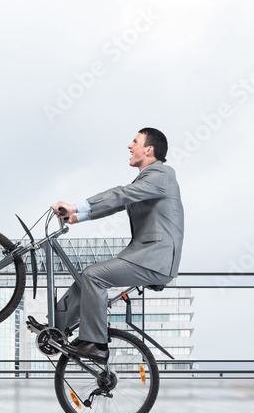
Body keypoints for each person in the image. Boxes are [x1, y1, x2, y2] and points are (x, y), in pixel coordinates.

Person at [29, 128, 185, 362]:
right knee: (86, 280)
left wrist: (75, 205)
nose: (130, 146)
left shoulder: (162, 175)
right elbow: (118, 204)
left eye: (135, 142)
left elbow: (120, 195)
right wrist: (77, 217)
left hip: (156, 259)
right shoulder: (148, 180)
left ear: (149, 149)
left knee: (94, 276)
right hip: (146, 256)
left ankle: (97, 344)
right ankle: (56, 330)